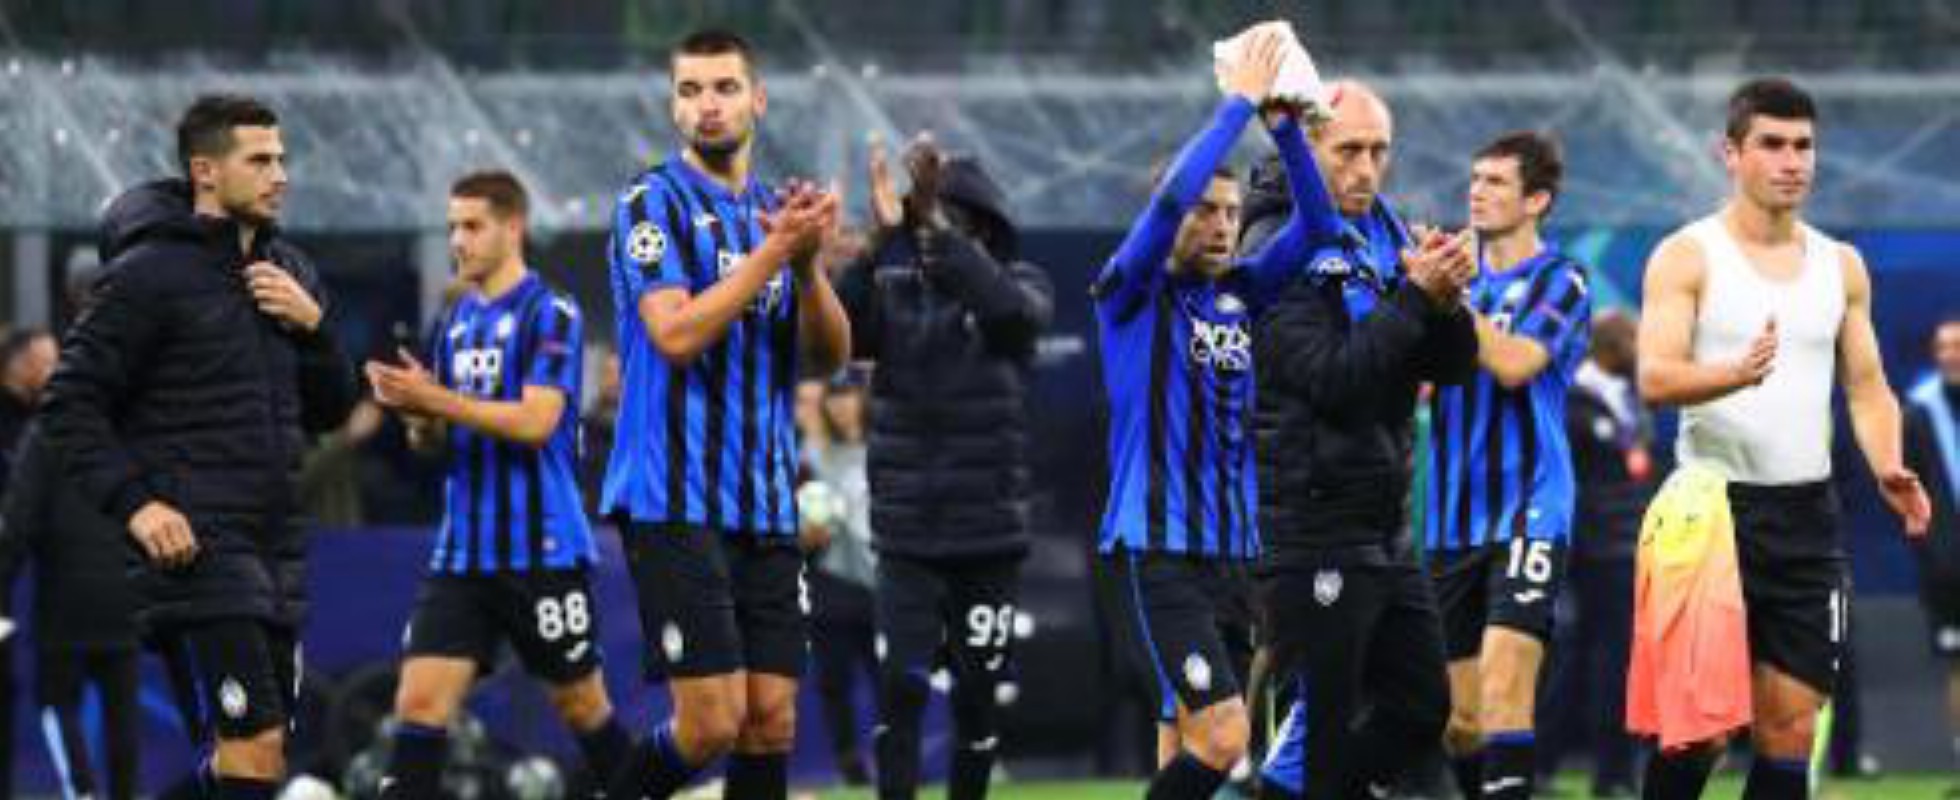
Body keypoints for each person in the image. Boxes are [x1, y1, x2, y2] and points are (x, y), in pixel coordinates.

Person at [39, 93, 360, 799]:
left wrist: (315, 330)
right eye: (260, 160)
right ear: (205, 171)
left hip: (277, 551)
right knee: (253, 748)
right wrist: (138, 506)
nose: (281, 175)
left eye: (282, 159)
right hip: (196, 550)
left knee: (253, 760)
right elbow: (69, 403)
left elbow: (333, 409)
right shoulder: (146, 274)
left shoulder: (291, 271)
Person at [1634, 76, 1931, 800]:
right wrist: (1733, 374)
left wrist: (1888, 465)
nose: (1792, 161)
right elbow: (1655, 378)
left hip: (1806, 519)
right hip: (1710, 515)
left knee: (1791, 728)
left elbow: (1868, 388)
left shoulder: (1841, 265)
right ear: (1730, 154)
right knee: (1699, 735)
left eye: (1804, 146)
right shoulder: (1687, 254)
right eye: (1772, 144)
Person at [600, 28, 851, 800]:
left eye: (724, 87)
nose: (707, 105)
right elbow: (674, 335)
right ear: (673, 107)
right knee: (710, 722)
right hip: (673, 496)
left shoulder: (774, 214)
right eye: (690, 90)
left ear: (757, 100)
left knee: (770, 720)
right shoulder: (650, 202)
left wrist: (807, 268)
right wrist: (775, 255)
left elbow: (828, 358)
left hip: (766, 502)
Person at [1091, 27, 1334, 800]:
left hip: (1232, 553)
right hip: (1159, 547)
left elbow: (1321, 230)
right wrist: (1237, 106)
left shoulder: (1238, 295)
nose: (1224, 225)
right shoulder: (1130, 293)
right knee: (1227, 739)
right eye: (1206, 211)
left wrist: (1285, 130)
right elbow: (1169, 197)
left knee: (1189, 742)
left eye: (1231, 212)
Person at [1244, 79, 1481, 800]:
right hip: (1313, 521)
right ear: (1306, 147)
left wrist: (1446, 304)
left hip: (1385, 526)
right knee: (1326, 730)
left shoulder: (1386, 230)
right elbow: (1333, 380)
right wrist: (1413, 297)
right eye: (1348, 150)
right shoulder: (1275, 243)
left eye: (1379, 151)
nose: (1367, 169)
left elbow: (1451, 368)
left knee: (1422, 708)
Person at [362, 170, 631, 799]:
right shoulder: (454, 320)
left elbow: (537, 423)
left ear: (514, 228)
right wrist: (418, 417)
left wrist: (439, 401)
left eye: (472, 226)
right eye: (452, 227)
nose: (458, 240)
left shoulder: (552, 313)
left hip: (542, 550)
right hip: (461, 554)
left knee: (582, 707)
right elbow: (434, 442)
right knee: (419, 704)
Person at [832, 123, 1053, 798]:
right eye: (929, 215)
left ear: (981, 227)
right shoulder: (893, 290)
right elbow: (839, 332)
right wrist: (878, 241)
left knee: (977, 699)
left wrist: (930, 224)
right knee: (901, 687)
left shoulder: (1024, 284)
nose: (932, 229)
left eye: (951, 216)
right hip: (908, 538)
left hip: (988, 538)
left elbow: (1014, 319)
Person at [1421, 131, 1590, 800]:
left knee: (1503, 687)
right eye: (1474, 179)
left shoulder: (1561, 279)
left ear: (1537, 199)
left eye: (1495, 181)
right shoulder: (1448, 283)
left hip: (1530, 507)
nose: (1477, 192)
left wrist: (1449, 298)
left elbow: (1516, 364)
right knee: (1458, 721)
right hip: (1450, 516)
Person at [1538, 309, 1650, 798]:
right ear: (1613, 345)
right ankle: (1550, 767)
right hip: (1590, 550)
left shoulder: (1631, 399)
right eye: (1636, 340)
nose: (1644, 351)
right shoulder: (1571, 400)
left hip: (1627, 548)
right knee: (1582, 657)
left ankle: (1611, 771)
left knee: (1612, 659)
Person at [0, 423, 143, 800]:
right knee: (123, 715)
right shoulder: (126, 428)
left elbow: (17, 524)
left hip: (64, 605)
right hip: (125, 599)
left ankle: (81, 792)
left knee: (56, 701)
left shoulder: (46, 433)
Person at [794, 376, 878, 786]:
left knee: (893, 678)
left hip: (885, 582)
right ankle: (850, 765)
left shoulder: (885, 449)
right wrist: (806, 534)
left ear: (862, 399)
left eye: (848, 397)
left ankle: (898, 754)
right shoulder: (808, 456)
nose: (842, 406)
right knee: (835, 682)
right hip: (831, 583)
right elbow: (792, 527)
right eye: (835, 398)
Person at [1905, 315, 1960, 792]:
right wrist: (1933, 551)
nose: (1950, 355)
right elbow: (1908, 489)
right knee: (1958, 662)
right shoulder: (1919, 413)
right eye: (1943, 347)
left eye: (1958, 346)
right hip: (1950, 568)